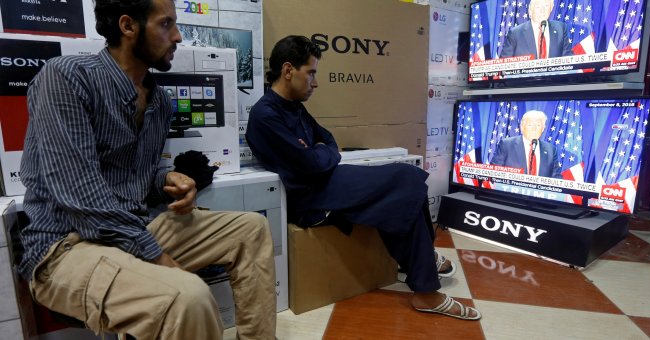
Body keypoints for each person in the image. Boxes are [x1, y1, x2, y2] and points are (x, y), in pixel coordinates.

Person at [18, 0, 276, 339]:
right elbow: (81, 195)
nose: (179, 37)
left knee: (252, 228)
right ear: (128, 27)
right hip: (66, 247)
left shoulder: (159, 101)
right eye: (166, 24)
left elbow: (132, 177)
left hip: (133, 231)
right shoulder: (66, 77)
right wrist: (157, 257)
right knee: (188, 297)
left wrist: (166, 179)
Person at [246, 35, 481, 321]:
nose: (316, 82)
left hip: (327, 181)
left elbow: (328, 142)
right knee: (405, 178)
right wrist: (320, 156)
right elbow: (310, 163)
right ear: (287, 71)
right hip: (311, 200)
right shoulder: (264, 115)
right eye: (311, 73)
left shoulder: (293, 106)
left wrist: (321, 154)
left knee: (407, 183)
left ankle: (423, 274)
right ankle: (426, 288)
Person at [490, 110, 562, 178]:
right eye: (530, 125)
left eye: (538, 125)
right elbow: (494, 173)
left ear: (543, 129)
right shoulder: (506, 145)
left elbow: (556, 177)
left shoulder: (551, 150)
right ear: (522, 127)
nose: (534, 129)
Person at [500, 0, 573, 59]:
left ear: (551, 8)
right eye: (538, 7)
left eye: (546, 6)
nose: (543, 10)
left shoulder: (561, 28)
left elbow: (568, 59)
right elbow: (504, 62)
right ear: (530, 11)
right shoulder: (515, 34)